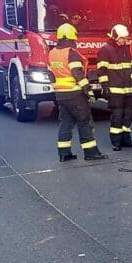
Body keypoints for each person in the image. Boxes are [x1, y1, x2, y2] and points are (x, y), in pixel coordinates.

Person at [49, 23, 107, 162]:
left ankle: (64, 153)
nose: (75, 42)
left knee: (66, 123)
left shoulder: (52, 53)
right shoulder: (72, 54)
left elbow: (50, 74)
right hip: (75, 94)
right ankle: (91, 152)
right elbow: (78, 74)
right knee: (84, 122)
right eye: (74, 39)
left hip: (61, 95)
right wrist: (89, 91)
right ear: (70, 38)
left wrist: (57, 88)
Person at [97, 24, 132, 151]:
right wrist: (105, 87)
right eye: (123, 38)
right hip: (115, 90)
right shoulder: (106, 50)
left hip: (128, 89)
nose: (125, 41)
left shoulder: (126, 49)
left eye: (126, 38)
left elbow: (131, 68)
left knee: (128, 116)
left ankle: (126, 139)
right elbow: (101, 71)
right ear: (115, 37)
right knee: (117, 116)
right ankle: (116, 141)